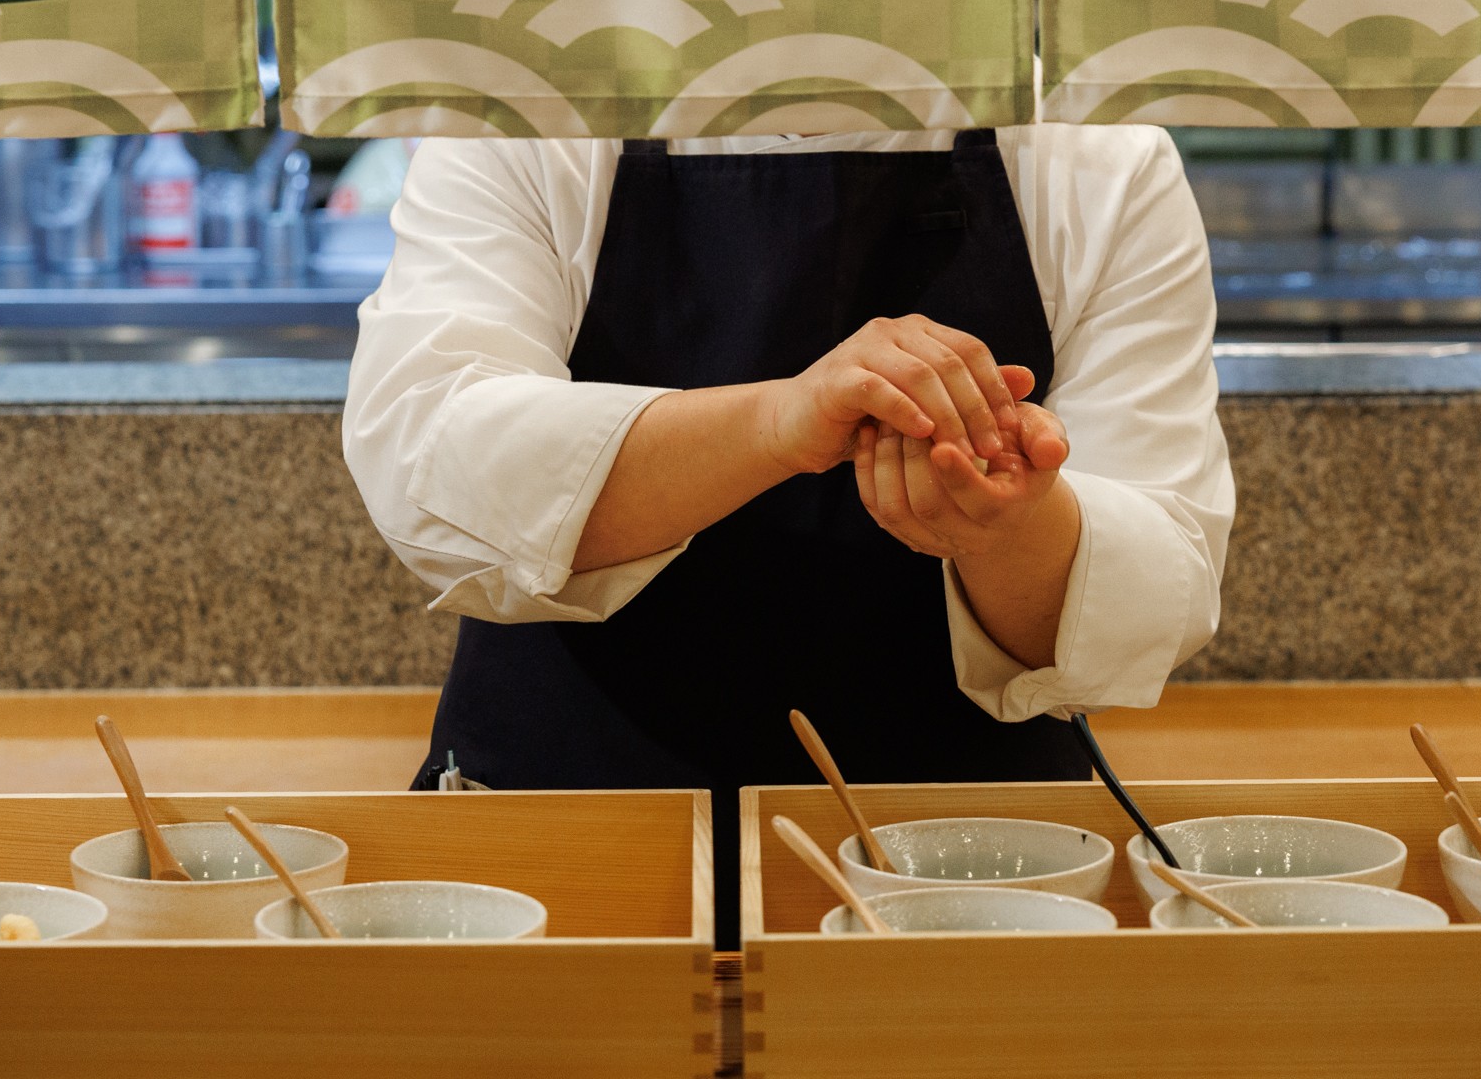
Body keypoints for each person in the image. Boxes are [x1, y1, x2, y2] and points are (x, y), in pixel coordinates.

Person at [340, 125, 1232, 942]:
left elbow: (1156, 586)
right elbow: (431, 462)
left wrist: (1009, 522)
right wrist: (779, 423)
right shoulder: (526, 121)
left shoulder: (1097, 154)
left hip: (971, 885)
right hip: (557, 843)